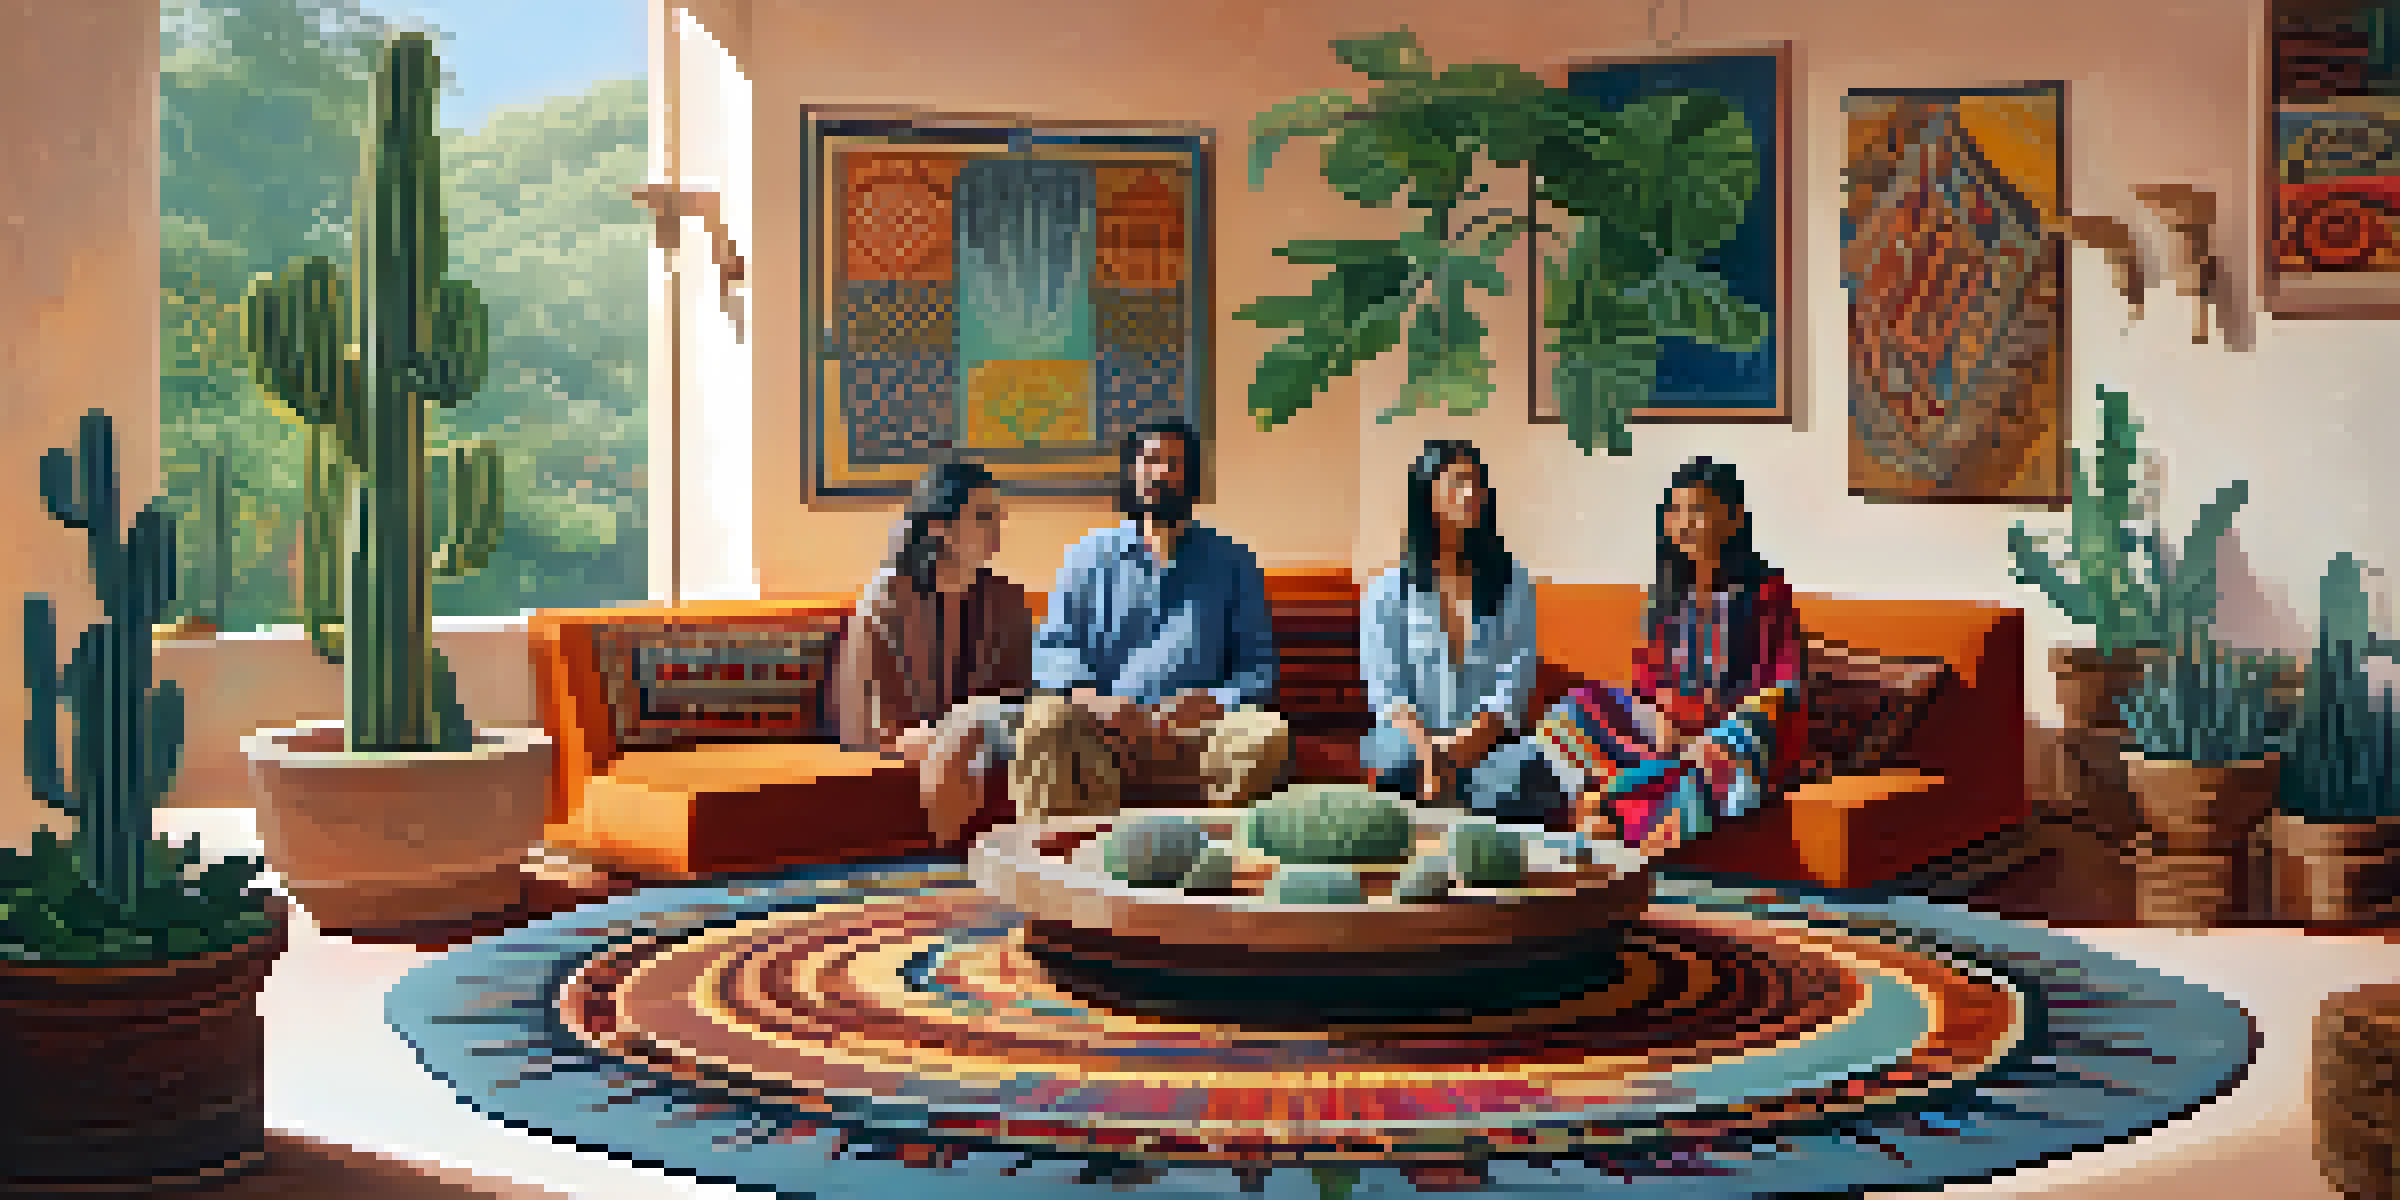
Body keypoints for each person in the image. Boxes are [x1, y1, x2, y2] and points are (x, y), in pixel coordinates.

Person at [1013, 419, 1291, 819]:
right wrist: (1095, 702)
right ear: (1132, 472)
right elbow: (1054, 646)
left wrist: (1213, 702)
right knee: (1044, 721)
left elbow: (1258, 667)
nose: (1160, 472)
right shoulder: (1086, 556)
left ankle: (1213, 853)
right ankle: (1067, 857)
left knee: (1266, 734)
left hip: (1197, 733)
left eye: (1174, 463)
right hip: (1103, 729)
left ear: (1192, 479)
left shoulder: (1234, 562)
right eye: (1150, 459)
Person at [1532, 456, 1807, 856]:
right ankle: (1637, 787)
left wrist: (1715, 720)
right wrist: (1663, 718)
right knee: (1577, 708)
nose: (1684, 523)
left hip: (1733, 727)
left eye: (1698, 511)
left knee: (1738, 735)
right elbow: (1646, 680)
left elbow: (1783, 683)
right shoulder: (1665, 595)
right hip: (1670, 725)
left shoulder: (1768, 594)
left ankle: (1617, 812)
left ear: (1731, 519)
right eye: (1676, 511)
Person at [836, 459, 1035, 845]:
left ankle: (1065, 864)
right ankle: (959, 867)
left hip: (989, 737)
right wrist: (951, 730)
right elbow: (874, 718)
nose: (996, 530)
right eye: (982, 517)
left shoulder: (1005, 598)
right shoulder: (886, 601)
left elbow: (1020, 696)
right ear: (938, 526)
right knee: (964, 736)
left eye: (998, 518)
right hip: (908, 736)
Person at [1358, 440, 1559, 822]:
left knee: (1528, 773)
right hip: (1409, 740)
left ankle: (1464, 806)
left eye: (1475, 483)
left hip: (1486, 744)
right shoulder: (1386, 591)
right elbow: (1387, 693)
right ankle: (1452, 798)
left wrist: (1456, 750)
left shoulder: (1513, 584)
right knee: (1396, 760)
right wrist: (1427, 751)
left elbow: (1514, 682)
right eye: (1455, 483)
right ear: (1426, 494)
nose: (1469, 493)